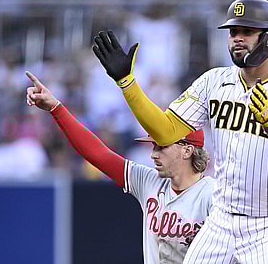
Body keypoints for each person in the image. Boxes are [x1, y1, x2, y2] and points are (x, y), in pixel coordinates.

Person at [92, 0, 268, 264]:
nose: (238, 38)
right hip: (223, 218)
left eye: (247, 32)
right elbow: (167, 132)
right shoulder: (214, 81)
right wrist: (127, 83)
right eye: (233, 32)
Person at [24, 71, 215, 264]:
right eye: (154, 146)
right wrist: (56, 108)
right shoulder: (150, 181)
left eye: (162, 146)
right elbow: (98, 155)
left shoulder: (213, 195)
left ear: (187, 150)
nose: (153, 153)